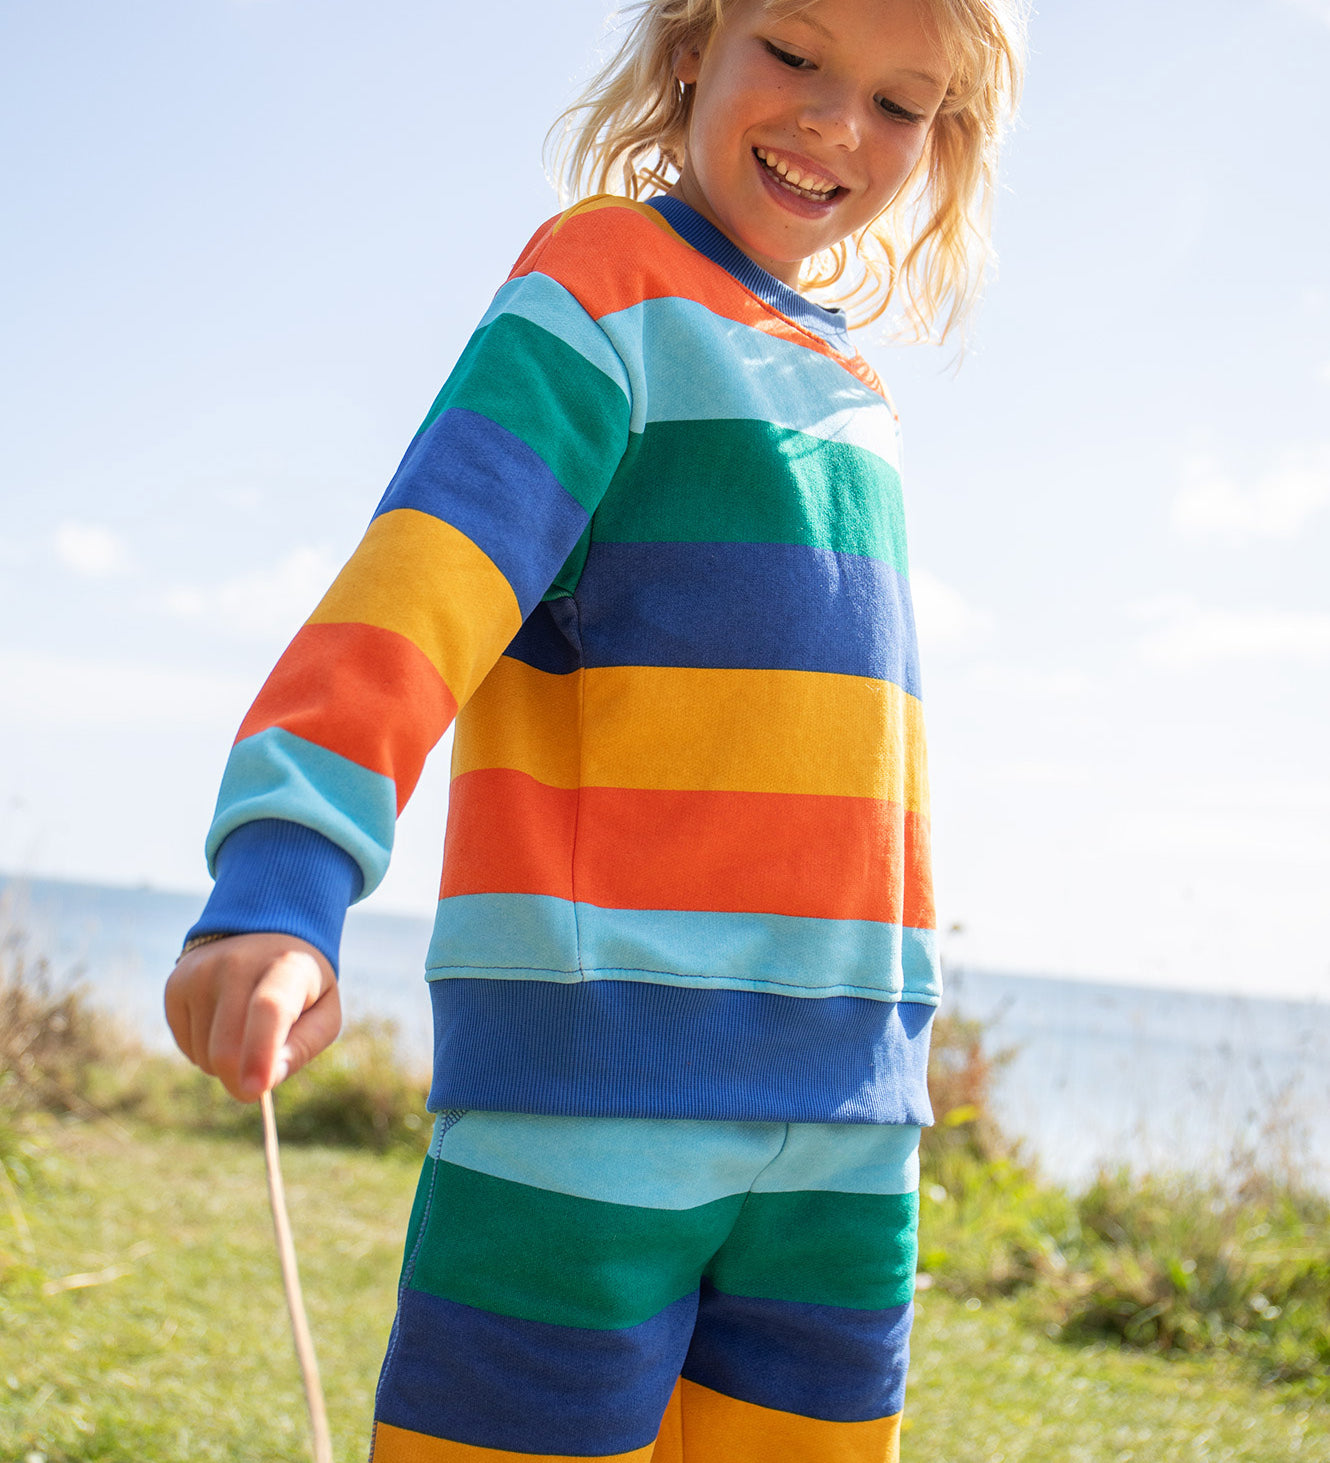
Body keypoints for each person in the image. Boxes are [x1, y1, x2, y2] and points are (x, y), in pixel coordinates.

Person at [165, 0, 1026, 1456]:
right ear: (694, 47)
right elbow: (419, 589)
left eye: (900, 103)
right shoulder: (600, 289)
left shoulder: (850, 382)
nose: (834, 124)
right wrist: (285, 880)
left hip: (847, 1116)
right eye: (795, 56)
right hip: (595, 1093)